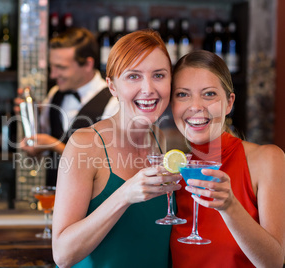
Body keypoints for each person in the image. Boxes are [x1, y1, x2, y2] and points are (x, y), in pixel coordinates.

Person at [52, 29, 183, 267]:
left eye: (159, 75)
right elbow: (62, 255)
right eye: (134, 76)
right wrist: (124, 195)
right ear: (112, 86)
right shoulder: (86, 144)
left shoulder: (159, 138)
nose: (148, 89)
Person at [169, 50, 285, 267]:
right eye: (183, 94)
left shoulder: (267, 160)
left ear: (229, 102)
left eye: (209, 94)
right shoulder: (174, 172)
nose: (195, 106)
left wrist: (230, 206)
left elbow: (273, 262)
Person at [16, 27, 119, 186]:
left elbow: (105, 165)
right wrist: (30, 118)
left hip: (93, 202)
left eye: (61, 67)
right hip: (55, 197)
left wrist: (54, 144)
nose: (53, 75)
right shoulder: (55, 94)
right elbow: (38, 152)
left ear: (87, 64)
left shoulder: (113, 101)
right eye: (52, 67)